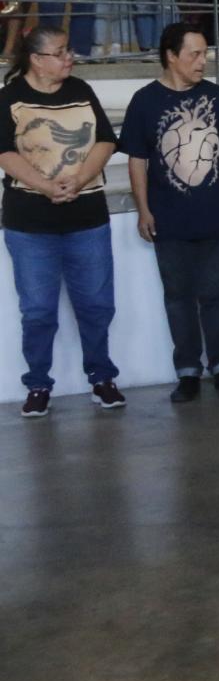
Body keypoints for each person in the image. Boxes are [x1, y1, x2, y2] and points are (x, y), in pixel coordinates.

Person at [120, 24, 219, 402]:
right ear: (171, 56)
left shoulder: (217, 97)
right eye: (194, 54)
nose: (202, 61)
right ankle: (188, 372)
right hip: (168, 217)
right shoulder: (145, 101)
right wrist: (143, 210)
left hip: (213, 215)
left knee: (215, 295)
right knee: (177, 296)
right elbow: (137, 160)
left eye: (204, 53)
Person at [0, 26, 121, 416]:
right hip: (29, 224)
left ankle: (102, 378)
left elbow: (105, 140)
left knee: (97, 305)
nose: (70, 57)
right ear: (37, 60)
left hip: (87, 217)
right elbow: (4, 153)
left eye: (69, 50)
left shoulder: (81, 90)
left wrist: (80, 177)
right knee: (37, 311)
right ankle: (38, 384)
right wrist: (47, 185)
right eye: (61, 52)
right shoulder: (11, 98)